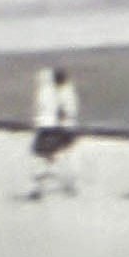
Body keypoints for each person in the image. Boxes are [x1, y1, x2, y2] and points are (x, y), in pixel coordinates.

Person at [27, 66, 81, 199]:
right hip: (63, 129)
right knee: (63, 156)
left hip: (50, 129)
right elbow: (68, 111)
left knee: (45, 158)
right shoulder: (66, 92)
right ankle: (69, 184)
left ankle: (39, 188)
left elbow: (45, 110)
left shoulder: (47, 91)